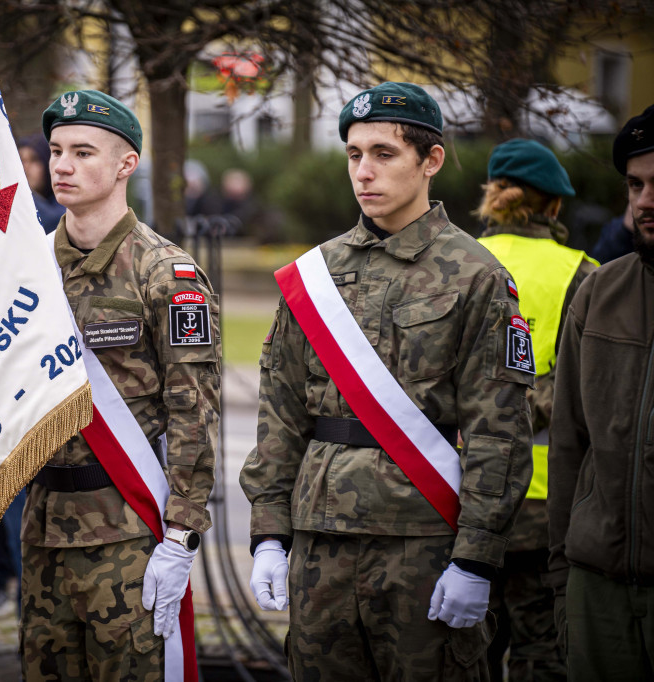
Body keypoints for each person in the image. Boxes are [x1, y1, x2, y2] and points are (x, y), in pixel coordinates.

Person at [240, 82, 535, 680]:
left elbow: (498, 428)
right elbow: (280, 412)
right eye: (354, 154)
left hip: (422, 544)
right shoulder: (316, 275)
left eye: (383, 153)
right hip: (319, 542)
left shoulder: (476, 276)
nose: (364, 171)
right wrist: (269, 532)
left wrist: (476, 558)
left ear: (431, 160)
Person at [20, 90, 221, 680]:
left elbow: (193, 409)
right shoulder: (27, 271)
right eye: (57, 151)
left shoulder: (166, 273)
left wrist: (181, 533)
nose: (62, 165)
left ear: (125, 164)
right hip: (42, 524)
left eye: (84, 152)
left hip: (129, 530)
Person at [475, 138, 597, 681]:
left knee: (466, 648)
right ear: (554, 206)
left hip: (461, 492)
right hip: (546, 500)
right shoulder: (586, 274)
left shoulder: (454, 261)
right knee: (542, 647)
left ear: (492, 196)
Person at [548, 103, 654, 681]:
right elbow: (569, 439)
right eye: (635, 185)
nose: (644, 201)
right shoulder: (599, 292)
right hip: (598, 588)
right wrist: (564, 579)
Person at [17, 132, 64, 233]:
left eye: (34, 160)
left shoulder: (67, 202)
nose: (25, 168)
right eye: (20, 160)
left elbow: (53, 220)